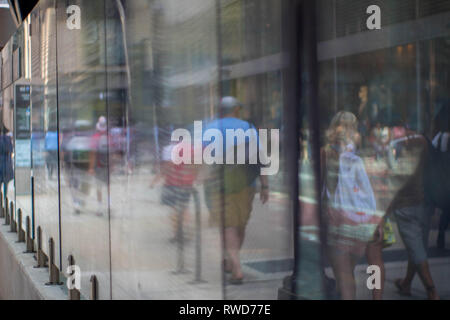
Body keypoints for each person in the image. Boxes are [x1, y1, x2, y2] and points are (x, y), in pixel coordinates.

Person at [203, 96, 269, 285]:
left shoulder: (211, 127)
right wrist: (265, 185)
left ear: (220, 110)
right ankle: (233, 261)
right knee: (239, 224)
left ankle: (236, 267)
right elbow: (260, 158)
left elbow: (202, 157)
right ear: (236, 110)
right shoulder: (248, 128)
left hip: (220, 184)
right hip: (246, 184)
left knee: (228, 225)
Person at [321, 111, 380, 299]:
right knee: (348, 274)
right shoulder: (361, 155)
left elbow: (319, 188)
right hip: (361, 219)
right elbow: (371, 190)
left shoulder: (326, 152)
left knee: (344, 277)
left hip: (337, 219)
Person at [387, 134, 439, 300]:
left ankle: (432, 291)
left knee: (416, 250)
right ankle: (406, 284)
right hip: (425, 203)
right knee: (416, 248)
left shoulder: (400, 145)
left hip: (406, 206)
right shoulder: (424, 141)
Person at [432, 103, 450, 249]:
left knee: (446, 208)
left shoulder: (438, 137)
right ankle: (441, 234)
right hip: (445, 177)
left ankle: (441, 234)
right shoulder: (444, 138)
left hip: (442, 179)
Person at [88, 116, 109, 216]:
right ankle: (109, 206)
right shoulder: (109, 137)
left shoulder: (95, 137)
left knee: (99, 187)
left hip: (99, 166)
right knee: (108, 186)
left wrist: (91, 168)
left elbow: (93, 154)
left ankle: (100, 208)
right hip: (107, 166)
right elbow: (113, 153)